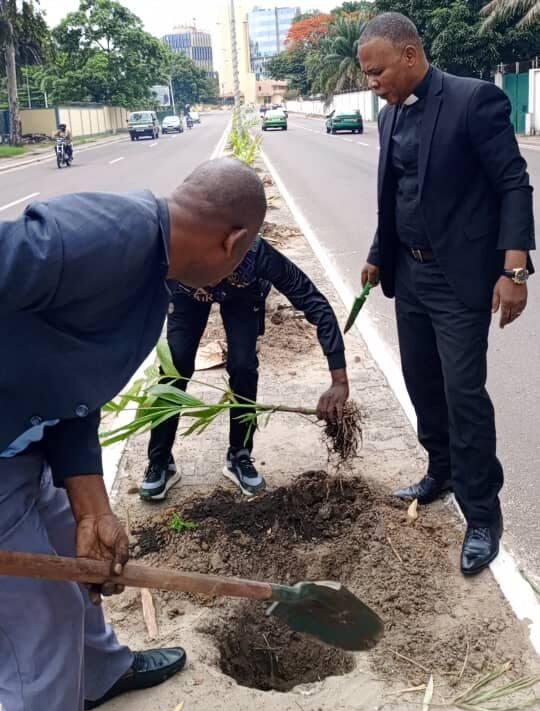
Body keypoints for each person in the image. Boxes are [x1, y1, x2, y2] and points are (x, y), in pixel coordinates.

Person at [0, 158, 267, 711]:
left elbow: (71, 388)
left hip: (21, 446)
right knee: (40, 628)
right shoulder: (105, 237)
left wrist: (95, 508)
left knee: (76, 535)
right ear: (234, 241)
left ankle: (100, 671)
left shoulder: (150, 275)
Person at [357, 13, 535, 575]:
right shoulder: (388, 117)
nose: (371, 82)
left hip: (459, 278)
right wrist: (377, 251)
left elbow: (513, 181)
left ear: (410, 56)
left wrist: (516, 269)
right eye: (366, 74)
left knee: (464, 394)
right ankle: (442, 470)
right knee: (423, 383)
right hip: (408, 275)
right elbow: (396, 196)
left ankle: (482, 513)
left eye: (377, 71)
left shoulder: (473, 101)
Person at [140, 236, 350, 500]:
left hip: (243, 294)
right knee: (176, 365)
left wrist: (339, 379)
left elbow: (314, 302)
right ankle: (160, 461)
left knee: (244, 366)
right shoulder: (177, 251)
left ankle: (239, 454)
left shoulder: (256, 255)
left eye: (218, 273)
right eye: (207, 274)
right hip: (187, 295)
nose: (213, 281)